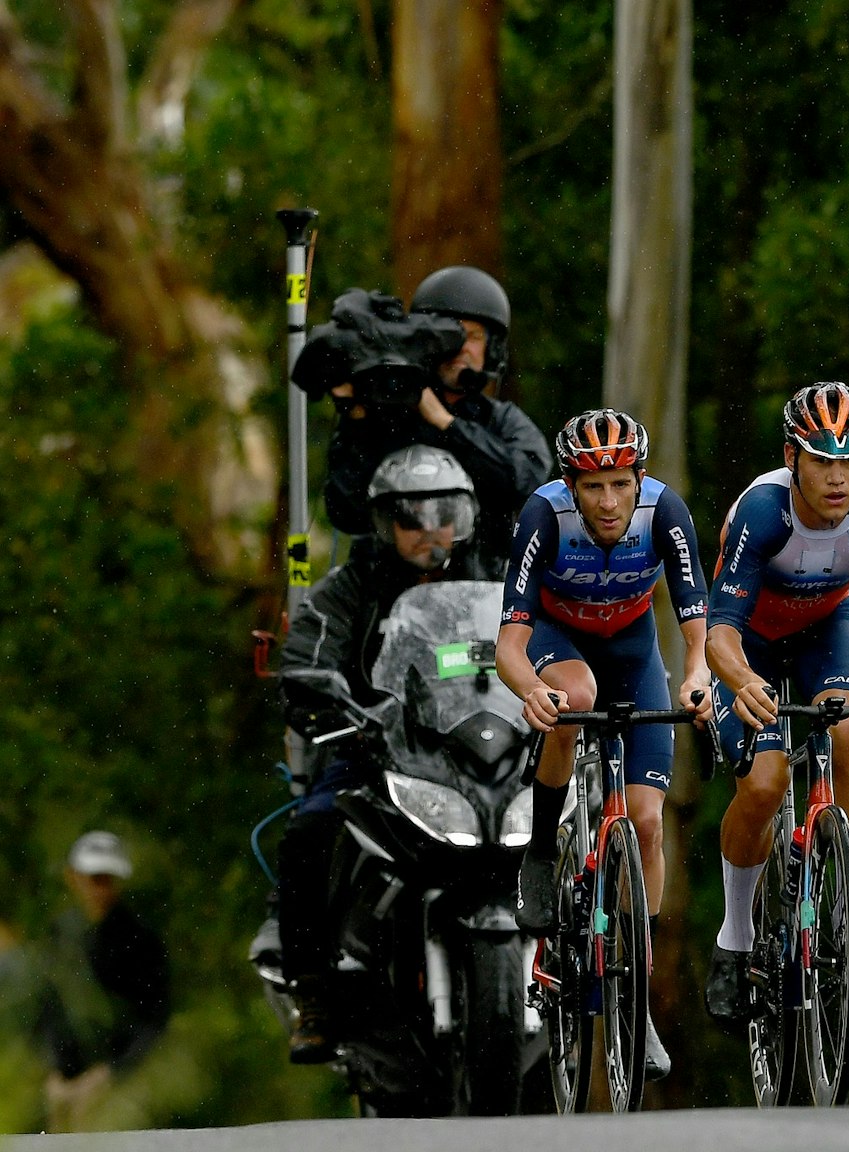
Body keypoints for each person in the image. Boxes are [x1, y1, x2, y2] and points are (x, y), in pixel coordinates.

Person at [702, 382, 849, 1029]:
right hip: (748, 640)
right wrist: (743, 680)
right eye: (822, 460)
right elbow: (718, 634)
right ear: (791, 457)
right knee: (766, 783)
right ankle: (734, 940)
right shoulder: (763, 512)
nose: (838, 477)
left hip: (827, 628)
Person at [498, 408, 710, 1082]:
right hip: (561, 645)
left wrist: (700, 674)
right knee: (576, 700)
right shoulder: (543, 517)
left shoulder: (664, 511)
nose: (609, 502)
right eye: (593, 487)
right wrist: (531, 687)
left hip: (634, 650)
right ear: (570, 485)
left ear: (639, 478)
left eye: (620, 484)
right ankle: (539, 855)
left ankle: (636, 1008)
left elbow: (697, 620)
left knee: (647, 823)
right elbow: (508, 644)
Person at [276, 445, 487, 1064]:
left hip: (478, 749)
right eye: (410, 518)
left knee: (563, 814)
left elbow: (545, 638)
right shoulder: (352, 584)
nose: (429, 531)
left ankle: (591, 967)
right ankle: (313, 993)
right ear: (383, 525)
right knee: (310, 830)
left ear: (465, 516)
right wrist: (319, 689)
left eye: (443, 514)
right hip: (375, 748)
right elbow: (310, 650)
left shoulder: (500, 573)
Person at [322, 266, 552, 574]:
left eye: (473, 336)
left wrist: (446, 424)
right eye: (449, 334)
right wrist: (357, 416)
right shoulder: (384, 419)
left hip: (481, 594)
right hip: (387, 598)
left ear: (492, 348)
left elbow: (528, 481)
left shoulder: (502, 421)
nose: (460, 347)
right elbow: (344, 511)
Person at [34, 832, 169, 1132]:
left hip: (123, 1076)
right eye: (94, 878)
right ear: (73, 878)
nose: (101, 888)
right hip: (65, 1082)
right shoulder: (60, 933)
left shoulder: (139, 938)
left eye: (108, 878)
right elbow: (48, 1008)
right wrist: (54, 1073)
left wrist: (110, 1074)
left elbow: (153, 1018)